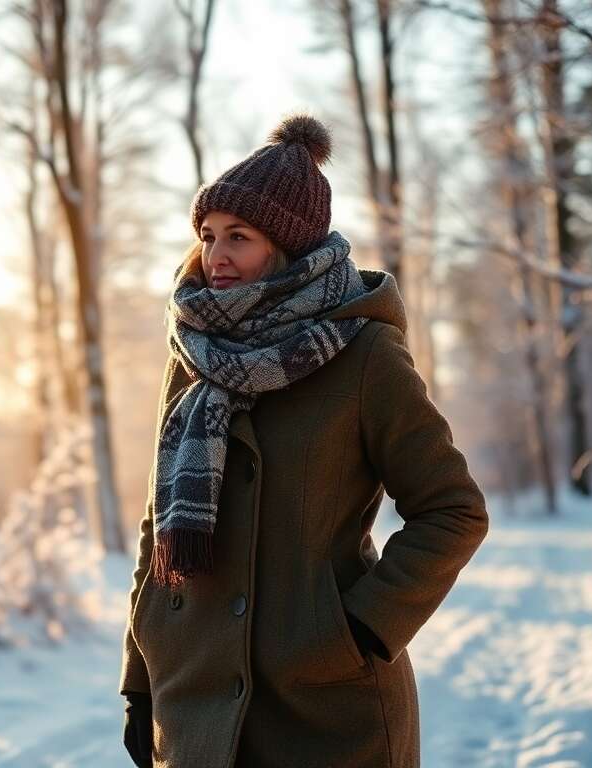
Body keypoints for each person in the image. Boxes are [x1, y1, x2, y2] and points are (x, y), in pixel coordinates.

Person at [118, 112, 489, 768]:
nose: (216, 255)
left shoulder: (363, 353)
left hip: (322, 707)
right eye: (208, 235)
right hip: (194, 703)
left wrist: (360, 627)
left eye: (239, 237)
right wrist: (140, 679)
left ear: (286, 246)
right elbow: (158, 527)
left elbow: (452, 509)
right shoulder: (192, 353)